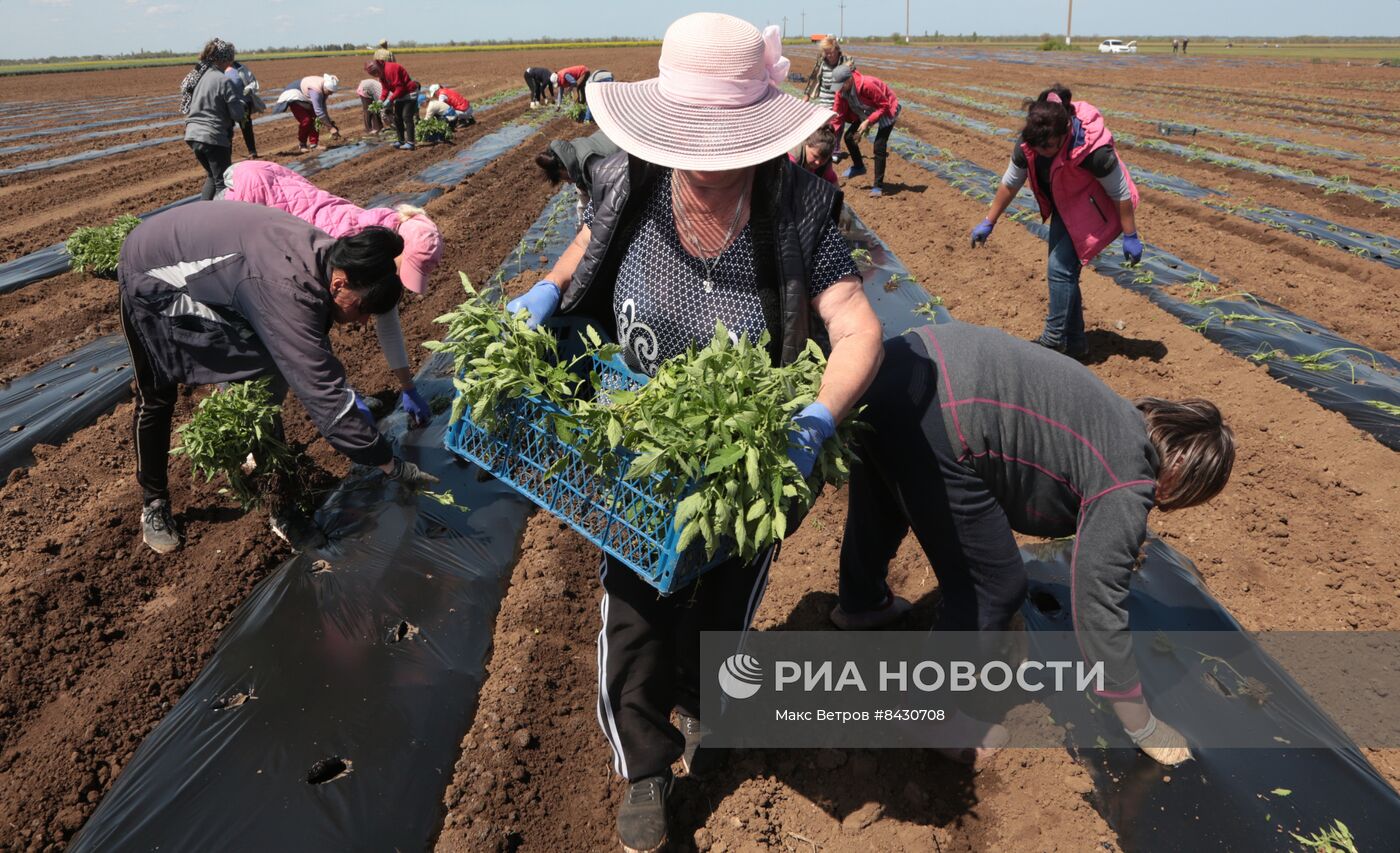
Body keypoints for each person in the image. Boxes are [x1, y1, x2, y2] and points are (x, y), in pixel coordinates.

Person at [506, 14, 883, 852]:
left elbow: (857, 328)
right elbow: (585, 242)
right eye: (694, 144)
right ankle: (645, 766)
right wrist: (545, 291)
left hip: (747, 458)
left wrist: (818, 418)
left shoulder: (799, 208)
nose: (708, 166)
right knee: (636, 605)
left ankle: (710, 700)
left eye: (729, 149)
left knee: (726, 597)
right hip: (638, 442)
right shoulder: (630, 180)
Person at [835, 320, 1234, 767]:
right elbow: (1098, 603)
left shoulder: (1117, 420)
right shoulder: (1126, 478)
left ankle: (861, 602)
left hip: (905, 362)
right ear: (1182, 471)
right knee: (993, 586)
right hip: (942, 413)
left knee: (884, 493)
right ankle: (927, 712)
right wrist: (1141, 723)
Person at [118, 201, 440, 555]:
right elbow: (324, 398)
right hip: (152, 274)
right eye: (362, 309)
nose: (363, 322)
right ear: (339, 284)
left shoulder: (324, 255)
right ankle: (154, 504)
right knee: (157, 395)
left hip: (217, 265)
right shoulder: (288, 289)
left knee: (263, 371)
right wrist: (391, 465)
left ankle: (276, 496)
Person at [220, 159, 444, 426]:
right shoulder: (345, 250)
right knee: (250, 337)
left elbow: (387, 319)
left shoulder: (378, 250)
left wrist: (408, 387)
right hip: (244, 202)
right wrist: (340, 397)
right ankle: (239, 422)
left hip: (272, 191)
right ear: (398, 251)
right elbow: (307, 334)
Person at [969, 84, 1141, 361]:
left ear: (1065, 134)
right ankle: (1074, 343)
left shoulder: (1094, 151)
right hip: (1068, 203)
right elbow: (1011, 183)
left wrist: (1130, 235)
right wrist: (989, 221)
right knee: (1063, 273)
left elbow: (1120, 193)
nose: (1042, 151)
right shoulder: (1030, 144)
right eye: (1037, 146)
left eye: (1048, 146)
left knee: (1060, 269)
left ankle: (1053, 339)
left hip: (1099, 208)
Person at [180, 38, 244, 200]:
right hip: (212, 137)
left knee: (212, 176)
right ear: (224, 60)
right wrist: (243, 104)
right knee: (222, 182)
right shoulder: (223, 80)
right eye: (230, 60)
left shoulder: (200, 77)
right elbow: (238, 115)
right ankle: (218, 220)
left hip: (193, 134)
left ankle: (204, 213)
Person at [828, 64, 901, 197]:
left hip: (886, 109)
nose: (839, 89)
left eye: (841, 85)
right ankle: (858, 166)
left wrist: (868, 121)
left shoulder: (867, 85)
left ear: (849, 80)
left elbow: (884, 105)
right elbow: (837, 114)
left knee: (879, 146)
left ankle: (878, 186)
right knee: (849, 136)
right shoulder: (841, 91)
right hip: (866, 110)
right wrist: (831, 134)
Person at [534, 130, 622, 226]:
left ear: (563, 168)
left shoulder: (593, 167)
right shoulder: (572, 154)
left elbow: (612, 206)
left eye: (564, 178)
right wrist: (581, 226)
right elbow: (584, 202)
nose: (568, 182)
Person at [803, 36, 854, 160]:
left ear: (837, 49)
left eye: (831, 52)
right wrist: (807, 96)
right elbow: (814, 77)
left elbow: (853, 79)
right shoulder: (822, 60)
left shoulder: (846, 60)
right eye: (826, 52)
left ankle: (835, 151)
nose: (829, 55)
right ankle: (821, 149)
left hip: (841, 98)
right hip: (825, 97)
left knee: (837, 126)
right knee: (823, 126)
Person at [367, 58, 417, 150]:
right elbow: (386, 88)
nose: (376, 75)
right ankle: (401, 141)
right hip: (399, 95)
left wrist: (390, 99)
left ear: (379, 67)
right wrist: (381, 100)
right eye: (374, 74)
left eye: (376, 72)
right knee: (397, 118)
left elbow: (400, 87)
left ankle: (411, 143)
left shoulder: (391, 69)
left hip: (409, 93)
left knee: (406, 116)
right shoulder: (381, 74)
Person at [225, 60, 264, 158]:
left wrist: (250, 88)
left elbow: (253, 82)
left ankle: (252, 151)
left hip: (243, 103)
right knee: (227, 129)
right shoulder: (219, 70)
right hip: (228, 105)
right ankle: (227, 155)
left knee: (246, 127)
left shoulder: (241, 68)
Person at [293, 73, 341, 153]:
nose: (331, 94)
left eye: (332, 92)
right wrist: (330, 128)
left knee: (316, 119)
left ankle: (314, 144)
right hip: (295, 97)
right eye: (330, 91)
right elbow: (319, 111)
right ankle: (302, 144)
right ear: (325, 88)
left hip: (306, 98)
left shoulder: (324, 90)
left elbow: (323, 109)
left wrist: (331, 124)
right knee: (306, 121)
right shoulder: (316, 91)